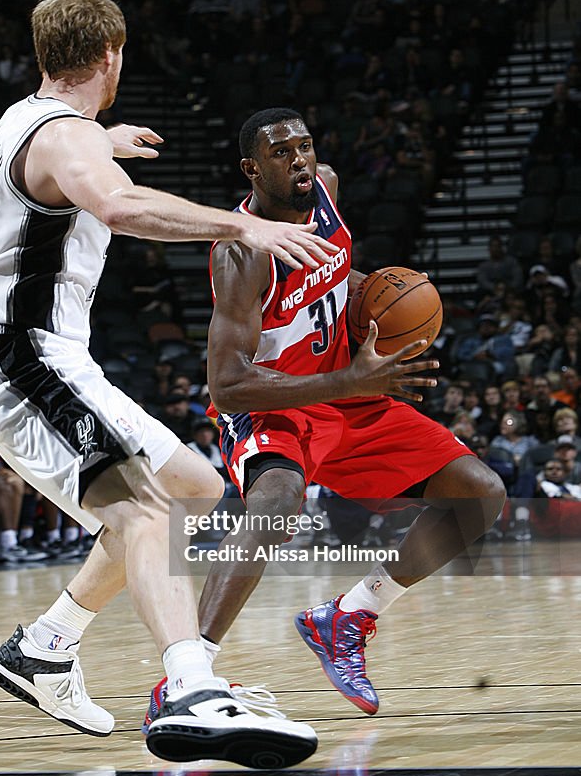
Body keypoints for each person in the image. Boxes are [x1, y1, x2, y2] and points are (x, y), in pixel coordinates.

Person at [0, 0, 330, 769]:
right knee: (143, 509)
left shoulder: (34, 121)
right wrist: (242, 222)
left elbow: (68, 161)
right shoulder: (66, 140)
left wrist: (104, 139)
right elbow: (117, 208)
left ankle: (44, 648)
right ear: (111, 54)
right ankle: (192, 687)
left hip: (49, 355)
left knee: (192, 487)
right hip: (20, 356)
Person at [141, 107, 505, 728]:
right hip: (275, 405)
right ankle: (185, 681)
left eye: (305, 146)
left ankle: (350, 616)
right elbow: (227, 386)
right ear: (252, 169)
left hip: (348, 394)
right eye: (282, 153)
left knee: (479, 494)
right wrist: (348, 379)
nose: (300, 160)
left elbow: (336, 275)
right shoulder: (243, 255)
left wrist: (384, 298)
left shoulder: (327, 192)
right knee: (276, 503)